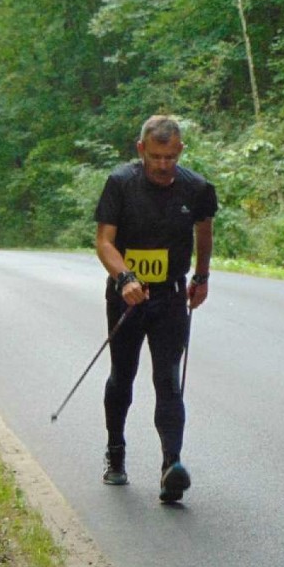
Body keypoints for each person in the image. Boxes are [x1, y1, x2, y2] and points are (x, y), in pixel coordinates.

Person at [94, 115, 218, 502]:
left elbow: (204, 233)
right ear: (141, 150)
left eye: (169, 156)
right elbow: (104, 242)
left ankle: (171, 466)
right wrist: (124, 278)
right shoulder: (120, 184)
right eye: (155, 156)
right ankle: (116, 453)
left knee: (167, 377)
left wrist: (201, 277)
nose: (162, 164)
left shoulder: (196, 188)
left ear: (180, 150)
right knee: (123, 375)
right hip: (128, 296)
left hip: (169, 297)